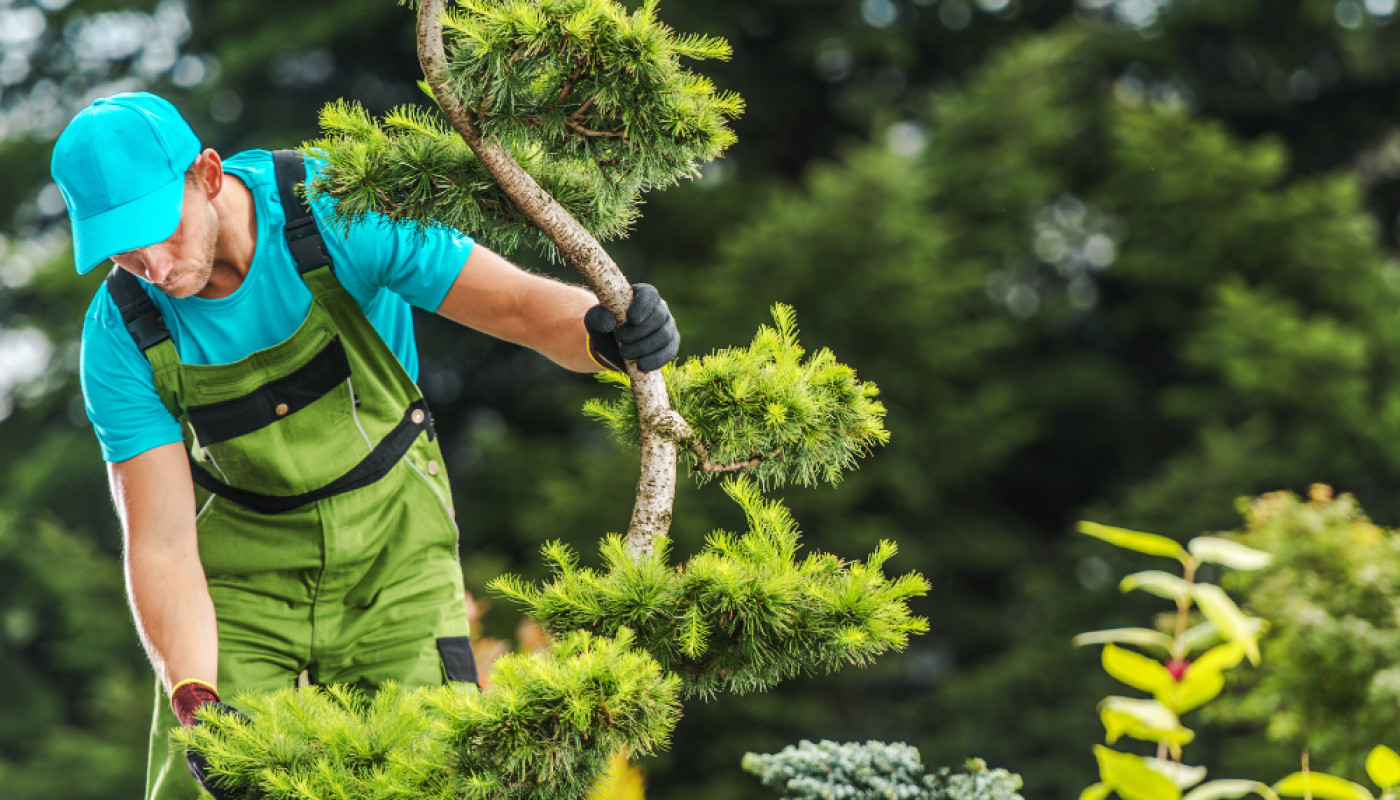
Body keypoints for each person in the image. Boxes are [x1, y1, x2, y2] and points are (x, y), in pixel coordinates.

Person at [50, 92, 679, 800]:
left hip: (397, 558)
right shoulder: (122, 333)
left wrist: (604, 333)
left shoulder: (336, 206)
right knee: (201, 784)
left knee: (437, 774)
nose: (155, 268)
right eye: (126, 253)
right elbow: (161, 544)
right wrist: (196, 701)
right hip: (248, 587)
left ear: (209, 175)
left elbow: (514, 306)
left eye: (161, 233)